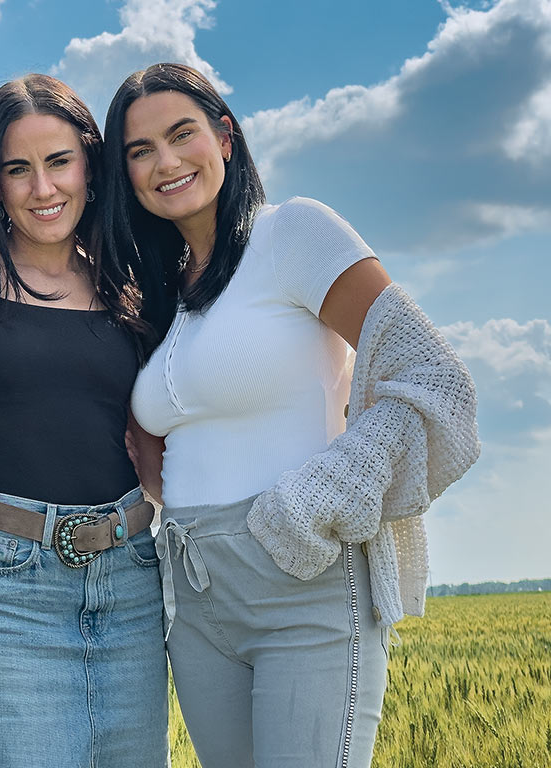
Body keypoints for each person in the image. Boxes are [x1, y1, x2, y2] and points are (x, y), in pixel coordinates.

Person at [103, 62, 480, 768]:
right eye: (139, 151)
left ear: (225, 135)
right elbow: (159, 436)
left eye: (182, 134)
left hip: (300, 579)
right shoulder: (162, 292)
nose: (165, 162)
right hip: (192, 595)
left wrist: (310, 503)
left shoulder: (296, 233)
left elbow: (433, 375)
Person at [0, 74, 169, 768]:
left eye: (59, 161)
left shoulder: (134, 284)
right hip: (1, 590)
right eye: (17, 169)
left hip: (128, 578)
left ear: (90, 165)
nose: (43, 188)